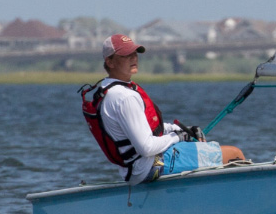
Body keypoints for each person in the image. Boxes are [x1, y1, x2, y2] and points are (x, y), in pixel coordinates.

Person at [81, 34, 246, 184]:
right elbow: (146, 147)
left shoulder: (108, 89)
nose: (133, 59)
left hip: (134, 169)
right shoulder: (125, 97)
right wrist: (177, 137)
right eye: (125, 55)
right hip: (149, 167)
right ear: (110, 62)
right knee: (233, 154)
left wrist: (181, 130)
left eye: (134, 54)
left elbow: (144, 129)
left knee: (214, 152)